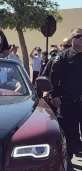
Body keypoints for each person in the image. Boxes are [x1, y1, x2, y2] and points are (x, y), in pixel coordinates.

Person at [49, 28, 82, 159]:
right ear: (72, 39)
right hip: (67, 101)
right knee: (68, 132)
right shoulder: (62, 56)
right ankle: (67, 159)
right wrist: (54, 95)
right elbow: (53, 77)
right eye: (78, 36)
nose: (81, 38)